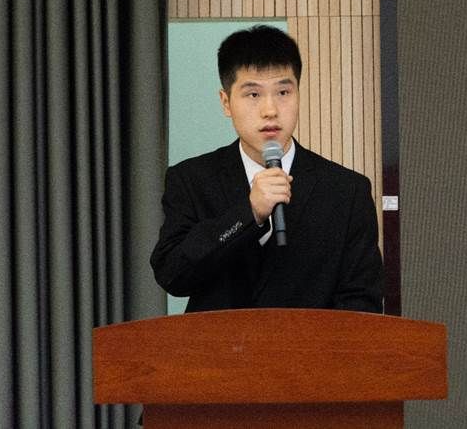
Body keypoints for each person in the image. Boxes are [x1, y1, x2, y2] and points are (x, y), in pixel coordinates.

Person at [150, 25, 383, 313]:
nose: (270, 110)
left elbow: (362, 303)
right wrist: (248, 213)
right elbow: (172, 274)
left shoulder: (346, 191)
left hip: (310, 343)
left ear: (298, 94)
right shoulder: (191, 179)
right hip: (219, 344)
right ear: (226, 102)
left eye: (283, 92)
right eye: (253, 95)